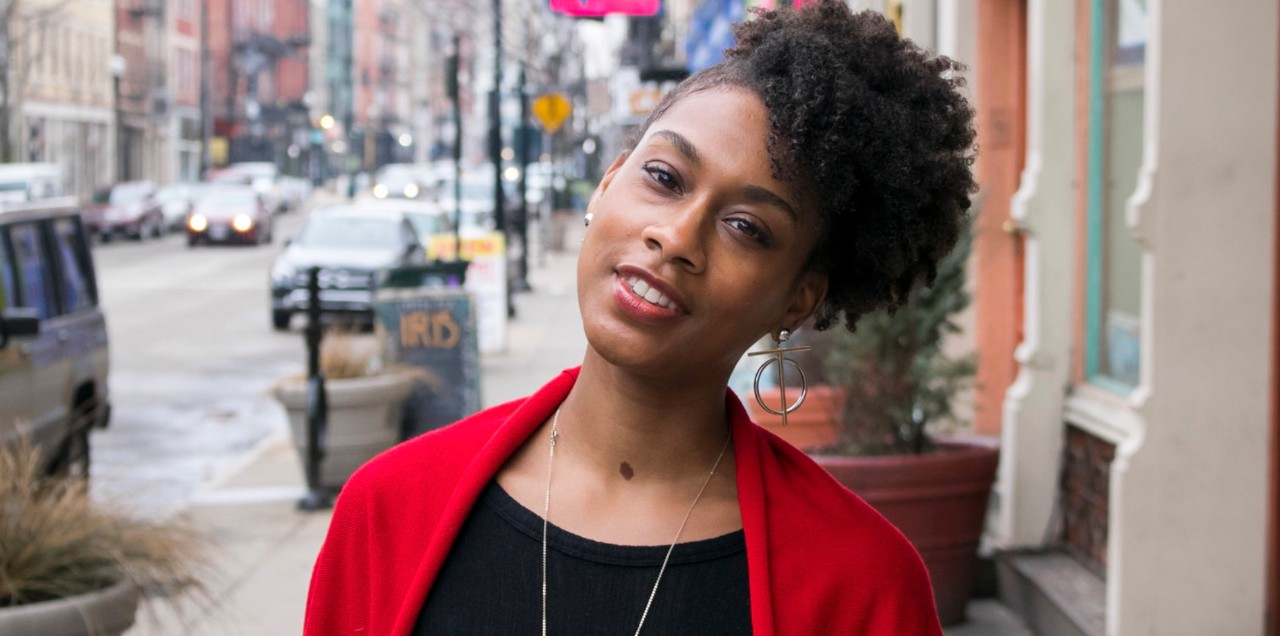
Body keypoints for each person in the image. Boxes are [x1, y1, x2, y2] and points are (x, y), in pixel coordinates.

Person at [304, 1, 976, 634]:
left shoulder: (863, 586)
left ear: (798, 299)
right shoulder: (388, 510)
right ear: (608, 183)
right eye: (664, 177)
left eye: (746, 226)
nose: (676, 236)